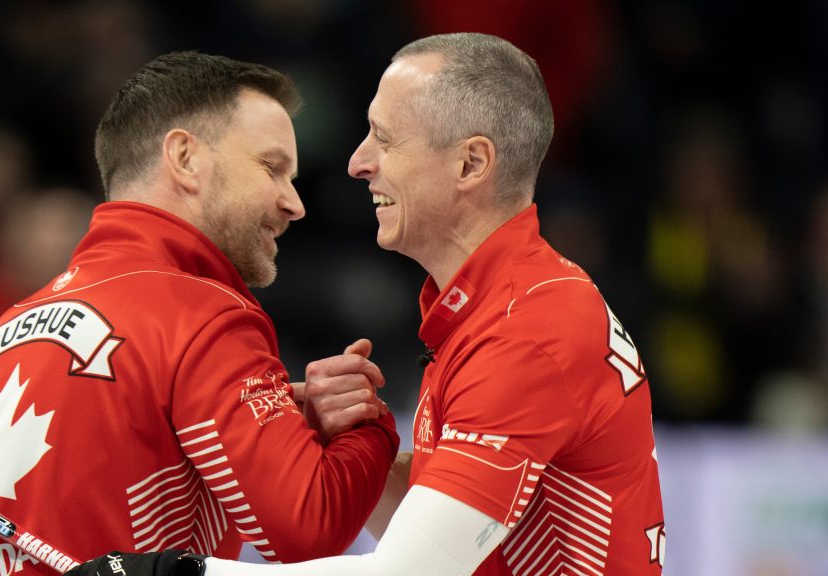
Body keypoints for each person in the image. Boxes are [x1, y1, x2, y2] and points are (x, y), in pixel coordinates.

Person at [66, 32, 666, 576]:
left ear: (471, 163)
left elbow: (406, 572)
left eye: (383, 137)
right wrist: (351, 441)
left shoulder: (529, 329)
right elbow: (457, 537)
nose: (358, 163)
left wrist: (173, 574)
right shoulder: (502, 309)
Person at [0, 51, 400, 576]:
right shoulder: (201, 313)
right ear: (184, 158)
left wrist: (285, 428)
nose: (295, 203)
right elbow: (308, 529)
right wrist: (366, 423)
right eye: (272, 168)